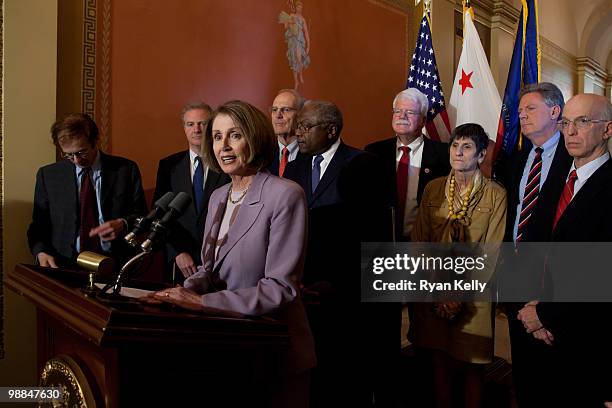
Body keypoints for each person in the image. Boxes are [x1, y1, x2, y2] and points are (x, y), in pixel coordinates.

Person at [146, 100, 315, 408]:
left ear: (254, 138)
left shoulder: (285, 195)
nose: (223, 145)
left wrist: (201, 303)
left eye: (234, 135)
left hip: (272, 351)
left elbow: (281, 288)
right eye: (216, 136)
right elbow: (210, 270)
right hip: (226, 347)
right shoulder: (218, 196)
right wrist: (176, 294)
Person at [284, 100, 394, 407]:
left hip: (345, 294)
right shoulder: (294, 168)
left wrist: (340, 282)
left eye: (306, 126)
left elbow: (370, 236)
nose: (298, 132)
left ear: (331, 130)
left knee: (344, 379)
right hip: (303, 289)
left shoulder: (363, 164)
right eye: (299, 126)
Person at [517, 93, 612, 406]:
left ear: (608, 129)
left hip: (581, 340)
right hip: (532, 330)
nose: (570, 132)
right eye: (566, 122)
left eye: (582, 122)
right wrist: (530, 310)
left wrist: (546, 315)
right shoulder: (557, 177)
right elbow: (532, 243)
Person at [410, 123, 507, 408]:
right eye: (455, 146)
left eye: (466, 147)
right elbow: (420, 241)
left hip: (474, 294)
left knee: (472, 363)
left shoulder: (495, 195)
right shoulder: (434, 188)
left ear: (480, 155)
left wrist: (458, 294)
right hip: (433, 288)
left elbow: (492, 251)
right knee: (438, 356)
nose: (458, 153)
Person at [493, 82, 571, 406]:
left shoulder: (573, 158)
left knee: (553, 376)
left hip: (552, 284)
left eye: (530, 109)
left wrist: (546, 306)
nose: (521, 116)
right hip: (514, 275)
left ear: (555, 111)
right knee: (522, 370)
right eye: (521, 110)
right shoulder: (517, 158)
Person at [27, 113, 147, 268]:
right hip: (64, 264)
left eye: (81, 152)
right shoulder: (48, 175)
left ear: (95, 141)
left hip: (113, 263)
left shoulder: (125, 170)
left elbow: (142, 215)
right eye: (69, 155)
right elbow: (38, 226)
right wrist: (41, 252)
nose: (76, 160)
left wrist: (123, 223)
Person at [153, 102, 229, 284]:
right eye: (190, 124)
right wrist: (176, 252)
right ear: (184, 127)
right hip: (180, 262)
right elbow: (160, 215)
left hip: (220, 261)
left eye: (202, 123)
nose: (196, 129)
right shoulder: (169, 166)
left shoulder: (227, 164)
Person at [365, 88, 450, 241]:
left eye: (410, 112)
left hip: (425, 243)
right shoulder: (374, 152)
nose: (401, 116)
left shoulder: (444, 155)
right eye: (397, 111)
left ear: (424, 120)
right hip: (381, 243)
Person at [268, 89, 306, 177]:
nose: (278, 115)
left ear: (300, 114)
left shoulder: (312, 154)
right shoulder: (263, 153)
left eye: (286, 109)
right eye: (274, 110)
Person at [278, 0, 310, 90]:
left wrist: (308, 44)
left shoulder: (302, 19)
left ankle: (300, 74)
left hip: (299, 40)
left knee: (299, 57)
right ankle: (296, 81)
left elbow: (306, 32)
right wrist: (289, 22)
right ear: (296, 8)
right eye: (298, 7)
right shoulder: (292, 16)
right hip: (292, 40)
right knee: (293, 60)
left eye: (301, 7)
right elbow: (286, 27)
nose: (300, 9)